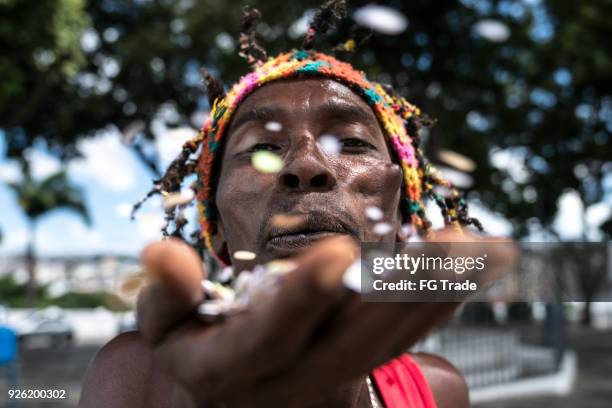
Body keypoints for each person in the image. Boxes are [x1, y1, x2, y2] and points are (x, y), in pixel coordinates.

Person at [80, 2, 512, 407]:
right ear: (221, 229)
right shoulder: (137, 377)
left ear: (400, 217)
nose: (305, 164)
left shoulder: (439, 391)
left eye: (352, 142)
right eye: (261, 148)